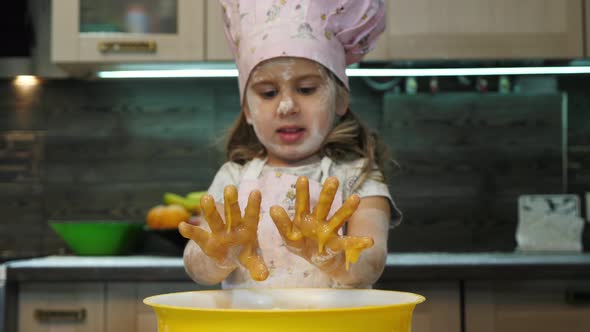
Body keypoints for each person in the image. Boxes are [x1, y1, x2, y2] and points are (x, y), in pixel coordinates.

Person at [179, 0, 401, 289]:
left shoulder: (358, 178)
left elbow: (372, 260)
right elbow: (197, 265)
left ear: (341, 98)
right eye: (268, 93)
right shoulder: (232, 178)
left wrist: (337, 258)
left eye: (306, 89)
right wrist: (218, 256)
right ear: (247, 109)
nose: (286, 106)